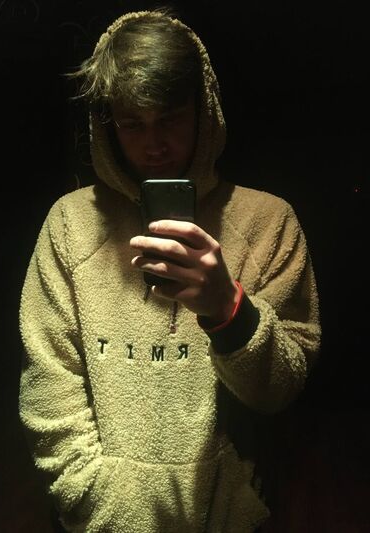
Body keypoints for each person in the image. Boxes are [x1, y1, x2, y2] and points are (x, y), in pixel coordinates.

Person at [18, 7, 321, 533]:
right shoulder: (69, 223)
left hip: (230, 516)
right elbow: (49, 381)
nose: (153, 144)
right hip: (101, 517)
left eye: (171, 119)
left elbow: (281, 389)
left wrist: (227, 308)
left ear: (203, 111)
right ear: (107, 125)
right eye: (132, 124)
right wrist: (94, 497)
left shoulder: (269, 222)